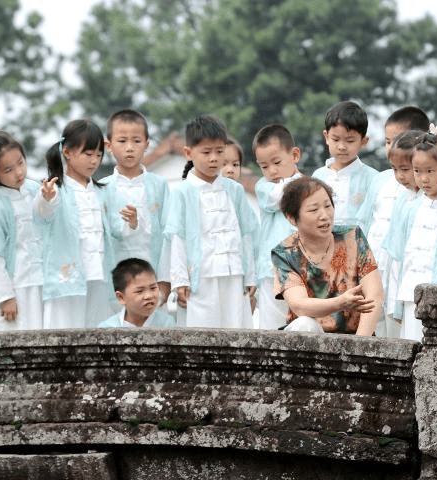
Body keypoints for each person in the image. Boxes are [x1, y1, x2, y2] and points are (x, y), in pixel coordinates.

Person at [35, 119, 136, 328]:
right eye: (88, 154)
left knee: (99, 332)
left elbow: (118, 230)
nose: (94, 161)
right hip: (66, 279)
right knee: (63, 333)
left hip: (100, 275)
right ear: (68, 153)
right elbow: (43, 216)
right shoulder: (55, 190)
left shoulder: (104, 191)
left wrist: (131, 222)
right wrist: (47, 199)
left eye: (98, 155)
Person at [165, 114, 258, 329]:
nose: (214, 158)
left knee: (237, 328)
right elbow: (177, 238)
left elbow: (246, 234)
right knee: (203, 330)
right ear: (189, 153)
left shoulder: (235, 190)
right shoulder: (182, 192)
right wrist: (180, 280)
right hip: (201, 277)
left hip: (235, 274)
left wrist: (250, 276)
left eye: (219, 151)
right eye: (206, 152)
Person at [271, 177, 383, 335]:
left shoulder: (353, 237)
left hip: (356, 338)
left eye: (328, 206)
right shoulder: (285, 253)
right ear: (292, 217)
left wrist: (358, 347)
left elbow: (374, 296)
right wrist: (341, 302)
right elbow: (299, 305)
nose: (324, 215)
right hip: (309, 339)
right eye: (313, 210)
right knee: (304, 324)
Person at [359, 106, 431, 338]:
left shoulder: (430, 194)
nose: (391, 147)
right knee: (380, 331)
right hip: (376, 270)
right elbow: (364, 225)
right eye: (388, 141)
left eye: (398, 139)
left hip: (411, 277)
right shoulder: (380, 182)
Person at [382, 132, 437, 341]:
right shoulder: (412, 206)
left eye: (430, 171)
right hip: (410, 292)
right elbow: (399, 257)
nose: (423, 178)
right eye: (417, 171)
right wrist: (394, 303)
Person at [0, 123, 44, 331]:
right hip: (17, 287)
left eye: (20, 163)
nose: (18, 172)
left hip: (42, 284)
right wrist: (5, 297)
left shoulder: (36, 190)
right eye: (8, 170)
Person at [101, 109, 172, 306]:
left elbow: (168, 235)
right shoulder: (102, 188)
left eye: (137, 141)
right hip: (115, 279)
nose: (130, 148)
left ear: (147, 145)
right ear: (109, 145)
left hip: (153, 275)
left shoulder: (159, 186)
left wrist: (165, 280)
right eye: (122, 141)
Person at [252, 123, 303, 330]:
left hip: (301, 267)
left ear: (295, 155)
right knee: (271, 326)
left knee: (301, 323)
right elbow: (281, 197)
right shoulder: (264, 188)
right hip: (271, 269)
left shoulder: (310, 184)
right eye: (264, 166)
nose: (271, 171)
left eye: (277, 162)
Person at [312, 101, 379, 230]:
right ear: (326, 137)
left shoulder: (373, 179)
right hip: (323, 246)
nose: (342, 146)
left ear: (363, 141)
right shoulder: (317, 177)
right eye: (335, 139)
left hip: (358, 247)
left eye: (350, 140)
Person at [98, 258, 174, 328]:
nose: (149, 296)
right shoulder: (108, 328)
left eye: (153, 288)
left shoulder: (167, 324)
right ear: (121, 297)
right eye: (140, 291)